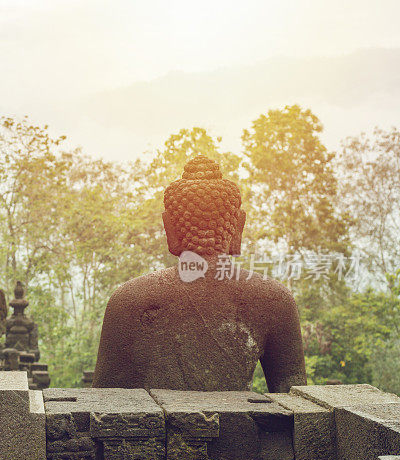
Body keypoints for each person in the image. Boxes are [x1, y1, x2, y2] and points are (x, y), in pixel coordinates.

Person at [92, 155, 306, 393]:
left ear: (169, 228)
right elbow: (295, 403)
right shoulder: (274, 300)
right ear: (238, 227)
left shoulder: (129, 300)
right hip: (240, 430)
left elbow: (104, 406)